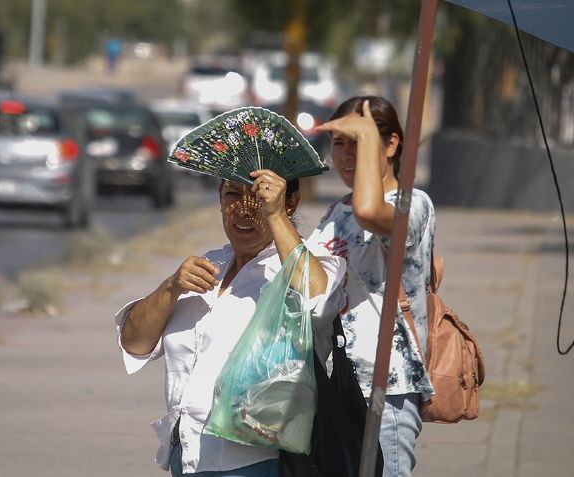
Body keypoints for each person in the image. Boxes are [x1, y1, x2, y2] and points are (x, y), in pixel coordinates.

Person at [115, 167, 347, 476]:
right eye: (232, 195)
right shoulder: (209, 265)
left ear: (290, 202)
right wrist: (171, 287)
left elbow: (319, 302)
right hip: (185, 458)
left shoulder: (306, 264)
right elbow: (134, 342)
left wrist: (275, 215)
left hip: (254, 462)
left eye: (258, 197)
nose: (244, 208)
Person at [311, 96, 435, 476]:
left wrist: (364, 128)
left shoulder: (411, 205)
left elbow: (370, 212)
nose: (347, 156)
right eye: (339, 143)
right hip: (335, 385)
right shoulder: (335, 212)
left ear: (391, 144)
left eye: (359, 143)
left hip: (385, 388)